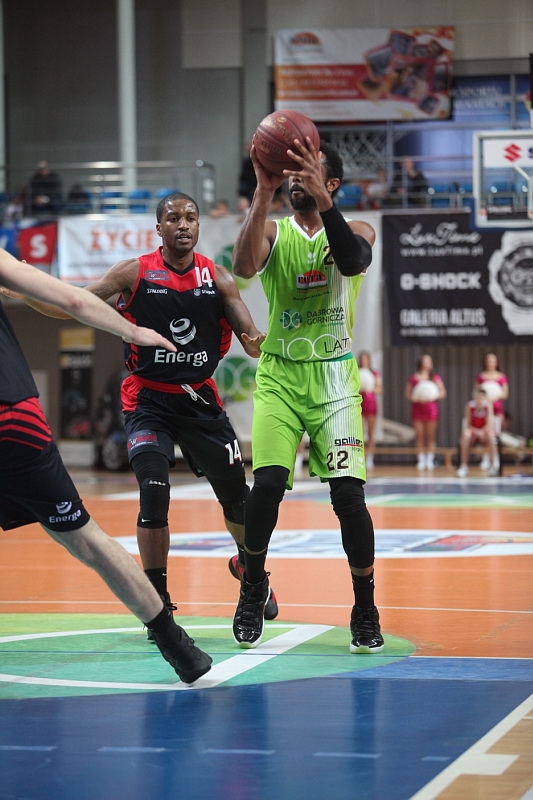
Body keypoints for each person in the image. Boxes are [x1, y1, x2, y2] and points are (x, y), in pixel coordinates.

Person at [17, 191, 278, 634]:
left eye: (190, 217)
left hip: (199, 401)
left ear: (198, 226)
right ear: (159, 228)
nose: (183, 224)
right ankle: (158, 604)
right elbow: (71, 305)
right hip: (148, 401)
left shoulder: (218, 277)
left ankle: (252, 575)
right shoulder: (133, 272)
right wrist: (23, 288)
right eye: (173, 218)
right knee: (154, 491)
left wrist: (257, 340)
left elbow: (248, 331)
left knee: (238, 499)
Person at [0, 248, 211, 684]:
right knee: (85, 539)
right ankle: (178, 647)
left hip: (13, 412)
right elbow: (72, 299)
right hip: (14, 417)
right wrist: (132, 330)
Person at [231, 136, 384, 655]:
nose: (295, 178)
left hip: (335, 379)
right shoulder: (275, 231)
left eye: (308, 171)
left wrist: (324, 201)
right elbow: (243, 268)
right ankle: (253, 585)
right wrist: (261, 191)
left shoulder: (358, 229)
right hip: (280, 375)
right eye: (290, 172)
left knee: (348, 498)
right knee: (267, 485)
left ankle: (364, 607)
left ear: (332, 182)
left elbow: (353, 261)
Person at [405, 354, 446, 471]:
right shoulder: (414, 378)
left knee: (430, 435)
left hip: (431, 408)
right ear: (421, 363)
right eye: (425, 361)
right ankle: (421, 459)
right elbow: (407, 394)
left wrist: (432, 396)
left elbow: (443, 392)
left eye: (429, 362)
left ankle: (429, 460)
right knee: (419, 435)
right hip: (418, 408)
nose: (427, 364)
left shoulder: (435, 378)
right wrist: (416, 397)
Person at [474, 352, 509, 470]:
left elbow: (505, 393)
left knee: (496, 434)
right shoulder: (481, 376)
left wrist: (494, 396)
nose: (491, 363)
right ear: (485, 362)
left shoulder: (501, 376)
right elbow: (476, 392)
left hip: (497, 409)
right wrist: (483, 398)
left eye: (493, 361)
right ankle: (486, 457)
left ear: (496, 363)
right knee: (485, 432)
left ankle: (495, 457)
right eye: (488, 361)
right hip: (484, 409)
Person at [456, 386, 498, 477]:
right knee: (465, 435)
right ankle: (463, 466)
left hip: (485, 432)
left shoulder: (488, 405)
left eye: (481, 397)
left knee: (491, 436)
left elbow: (489, 422)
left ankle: (492, 466)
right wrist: (477, 432)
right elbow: (468, 423)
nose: (479, 399)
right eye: (477, 397)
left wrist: (482, 432)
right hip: (473, 431)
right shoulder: (469, 406)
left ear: (485, 398)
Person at [357, 351, 383, 470]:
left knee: (371, 432)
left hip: (370, 403)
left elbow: (379, 389)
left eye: (366, 359)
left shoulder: (374, 373)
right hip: (359, 402)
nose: (364, 361)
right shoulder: (356, 372)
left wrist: (370, 388)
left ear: (369, 360)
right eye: (362, 359)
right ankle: (360, 457)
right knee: (359, 432)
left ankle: (370, 458)